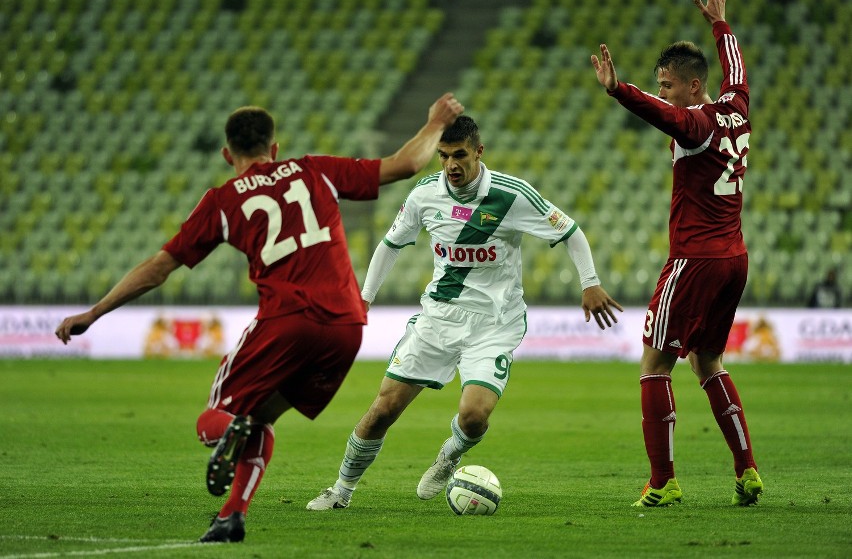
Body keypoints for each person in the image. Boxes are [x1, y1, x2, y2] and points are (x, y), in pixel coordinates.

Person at [54, 92, 465, 542]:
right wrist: (434, 125)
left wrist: (94, 312)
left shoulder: (223, 201)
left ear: (227, 154)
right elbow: (405, 165)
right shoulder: (314, 171)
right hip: (347, 326)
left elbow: (159, 268)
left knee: (215, 419)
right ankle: (232, 517)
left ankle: (231, 428)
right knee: (260, 419)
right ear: (274, 147)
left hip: (287, 320)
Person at [306, 115, 623, 511]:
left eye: (459, 155)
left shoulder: (512, 195)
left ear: (478, 152)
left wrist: (590, 282)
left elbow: (570, 232)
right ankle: (340, 492)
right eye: (443, 156)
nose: (451, 165)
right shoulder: (425, 195)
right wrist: (364, 297)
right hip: (438, 318)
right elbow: (389, 244)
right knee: (382, 410)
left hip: (494, 323)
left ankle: (449, 455)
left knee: (474, 417)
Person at [591, 0, 763, 507]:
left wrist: (621, 89)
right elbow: (737, 73)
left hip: (694, 260)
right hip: (734, 259)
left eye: (668, 86)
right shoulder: (735, 109)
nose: (664, 94)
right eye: (659, 85)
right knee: (708, 362)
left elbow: (665, 118)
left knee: (654, 364)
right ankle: (747, 470)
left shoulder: (698, 125)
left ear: (693, 86)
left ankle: (663, 481)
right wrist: (721, 25)